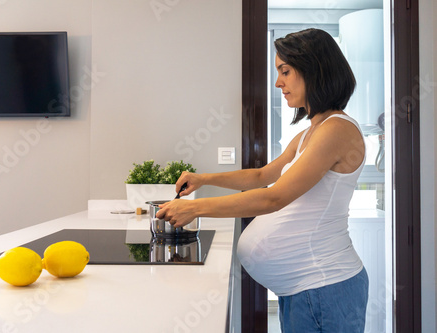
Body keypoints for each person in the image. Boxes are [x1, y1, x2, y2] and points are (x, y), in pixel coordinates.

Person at [156, 28, 368, 333]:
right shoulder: (312, 131)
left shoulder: (337, 130)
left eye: (285, 71)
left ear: (315, 69)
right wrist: (202, 178)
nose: (278, 82)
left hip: (325, 285)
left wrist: (196, 209)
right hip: (304, 288)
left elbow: (274, 197)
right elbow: (260, 176)